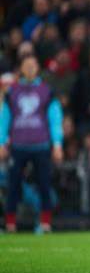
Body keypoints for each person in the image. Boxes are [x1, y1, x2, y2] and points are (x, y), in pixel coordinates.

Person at [0, 55, 64, 232]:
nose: (29, 68)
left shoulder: (46, 91)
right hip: (18, 146)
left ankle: (45, 223)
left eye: (33, 65)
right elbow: (5, 119)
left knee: (44, 184)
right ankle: (10, 223)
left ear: (37, 68)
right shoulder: (12, 92)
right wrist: (1, 142)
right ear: (21, 68)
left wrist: (57, 144)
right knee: (13, 185)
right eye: (26, 65)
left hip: (41, 145)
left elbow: (55, 118)